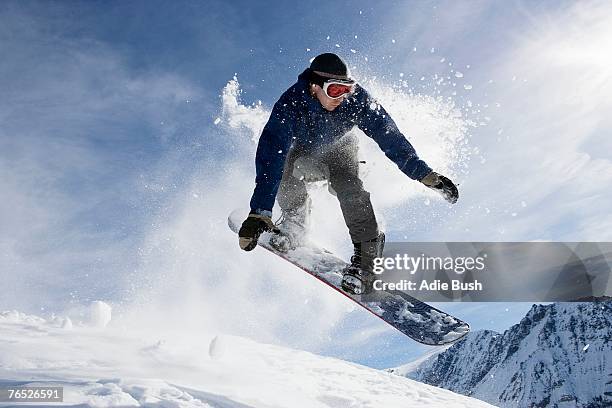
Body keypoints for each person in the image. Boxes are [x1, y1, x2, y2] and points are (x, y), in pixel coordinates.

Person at [238, 53, 458, 295]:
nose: (342, 97)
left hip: (341, 149)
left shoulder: (357, 100)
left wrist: (423, 173)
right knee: (283, 169)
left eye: (347, 89)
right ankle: (296, 223)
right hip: (303, 152)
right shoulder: (291, 103)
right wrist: (260, 212)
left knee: (349, 188)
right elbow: (272, 153)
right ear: (314, 87)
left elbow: (388, 135)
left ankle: (367, 259)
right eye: (334, 91)